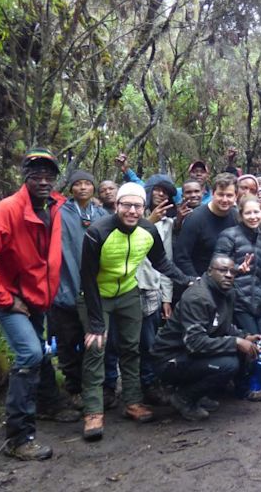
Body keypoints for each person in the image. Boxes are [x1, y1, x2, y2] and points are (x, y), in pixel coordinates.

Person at [0, 148, 76, 460]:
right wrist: (6, 299)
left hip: (37, 295)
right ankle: (18, 438)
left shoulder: (53, 207)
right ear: (24, 177)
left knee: (39, 351)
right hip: (10, 297)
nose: (43, 180)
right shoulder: (8, 209)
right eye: (35, 174)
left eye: (48, 175)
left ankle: (48, 405)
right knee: (30, 354)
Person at [78, 182, 192, 441]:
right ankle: (93, 412)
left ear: (144, 207)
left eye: (137, 206)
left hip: (128, 292)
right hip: (97, 295)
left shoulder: (147, 230)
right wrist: (96, 322)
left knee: (131, 347)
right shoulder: (98, 232)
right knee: (96, 347)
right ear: (116, 206)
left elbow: (161, 262)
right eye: (126, 205)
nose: (131, 211)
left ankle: (132, 401)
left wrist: (186, 280)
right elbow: (86, 276)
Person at [151, 255, 261, 421]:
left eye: (232, 271)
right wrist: (236, 342)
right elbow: (194, 343)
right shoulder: (198, 297)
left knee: (239, 351)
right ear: (210, 272)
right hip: (169, 359)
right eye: (222, 270)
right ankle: (183, 398)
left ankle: (197, 394)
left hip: (190, 353)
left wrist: (244, 336)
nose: (229, 275)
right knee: (228, 364)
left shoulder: (226, 292)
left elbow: (222, 325)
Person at [214, 196, 261, 400]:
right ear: (240, 215)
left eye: (256, 212)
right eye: (248, 213)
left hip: (258, 301)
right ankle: (245, 387)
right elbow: (216, 266)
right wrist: (236, 269)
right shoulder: (229, 236)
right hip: (237, 302)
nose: (253, 217)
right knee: (250, 345)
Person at [50, 169, 107, 408]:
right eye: (78, 184)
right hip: (64, 287)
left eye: (87, 183)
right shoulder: (59, 213)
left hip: (95, 290)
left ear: (93, 188)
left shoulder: (102, 214)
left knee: (92, 341)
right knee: (66, 340)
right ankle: (73, 387)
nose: (83, 188)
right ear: (71, 188)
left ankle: (91, 387)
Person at [135, 174, 179, 406]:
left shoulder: (168, 224)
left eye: (165, 191)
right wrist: (148, 221)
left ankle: (150, 384)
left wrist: (166, 298)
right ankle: (118, 389)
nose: (160, 194)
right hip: (126, 288)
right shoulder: (131, 214)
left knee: (150, 342)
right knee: (121, 344)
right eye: (157, 189)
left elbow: (166, 262)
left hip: (151, 288)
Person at [174, 173, 238, 291]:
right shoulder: (195, 218)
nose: (224, 199)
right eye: (220, 194)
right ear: (213, 194)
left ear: (236, 196)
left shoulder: (237, 217)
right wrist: (198, 283)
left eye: (229, 195)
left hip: (229, 285)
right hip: (200, 286)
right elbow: (181, 256)